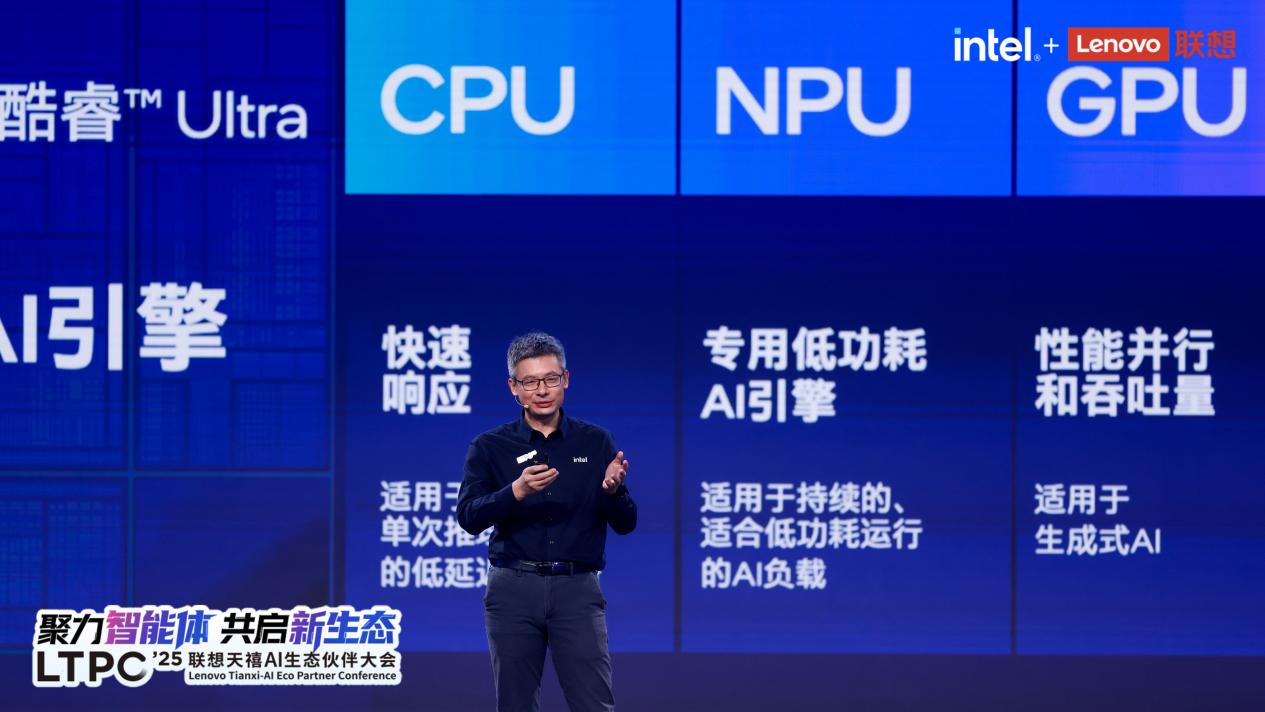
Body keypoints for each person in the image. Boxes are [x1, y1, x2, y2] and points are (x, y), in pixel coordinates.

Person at [457, 332, 637, 712]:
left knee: (594, 705)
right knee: (515, 705)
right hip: (513, 589)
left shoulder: (595, 442)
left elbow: (626, 523)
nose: (542, 390)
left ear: (565, 379)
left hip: (578, 589)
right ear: (514, 387)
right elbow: (469, 517)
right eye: (530, 382)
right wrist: (515, 492)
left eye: (551, 379)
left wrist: (613, 492)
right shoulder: (490, 446)